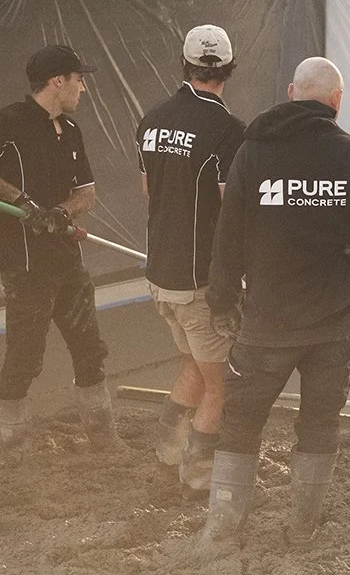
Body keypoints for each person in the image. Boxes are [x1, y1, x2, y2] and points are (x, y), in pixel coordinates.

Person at [204, 56, 350, 546]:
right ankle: (302, 527)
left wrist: (221, 302)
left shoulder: (252, 154)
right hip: (333, 322)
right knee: (320, 421)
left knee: (241, 419)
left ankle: (222, 530)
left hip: (266, 320)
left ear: (290, 93)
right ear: (336, 101)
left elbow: (228, 236)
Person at [136, 25, 245, 492]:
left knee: (193, 369)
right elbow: (230, 204)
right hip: (199, 280)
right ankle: (199, 479)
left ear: (186, 66)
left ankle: (166, 457)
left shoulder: (152, 118)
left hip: (160, 274)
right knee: (220, 385)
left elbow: (148, 190)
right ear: (228, 70)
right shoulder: (228, 130)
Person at [0, 45, 119, 450]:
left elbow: (86, 191)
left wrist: (63, 213)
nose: (83, 88)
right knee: (24, 359)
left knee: (90, 350)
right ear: (57, 81)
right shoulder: (9, 123)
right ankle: (13, 442)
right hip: (26, 266)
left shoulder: (71, 131)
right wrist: (22, 204)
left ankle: (103, 437)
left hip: (68, 261)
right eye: (78, 79)